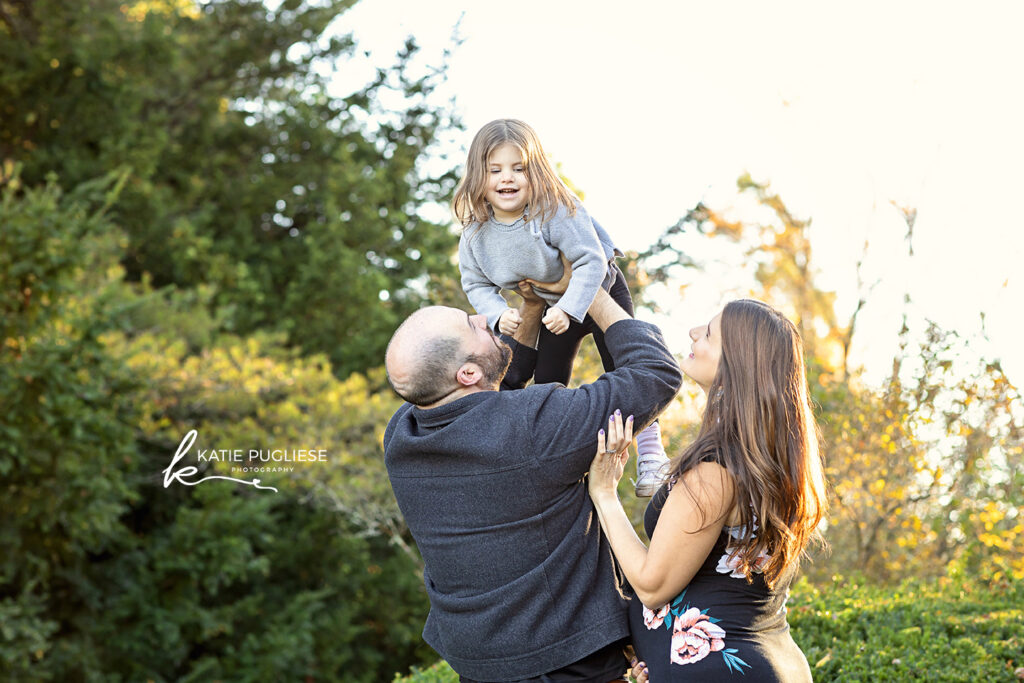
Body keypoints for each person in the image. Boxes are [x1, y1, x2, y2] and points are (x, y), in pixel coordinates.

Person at [383, 273, 682, 682]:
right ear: (466, 374)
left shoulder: (402, 434)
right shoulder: (531, 425)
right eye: (472, 325)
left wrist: (531, 307)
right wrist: (592, 291)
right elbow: (655, 374)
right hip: (567, 662)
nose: (483, 319)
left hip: (480, 663)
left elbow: (491, 383)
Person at [587, 299, 828, 681]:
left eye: (710, 333)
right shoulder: (763, 462)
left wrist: (604, 494)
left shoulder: (716, 471)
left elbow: (652, 585)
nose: (694, 333)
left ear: (737, 364)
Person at [452, 118, 669, 496]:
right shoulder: (475, 234)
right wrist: (496, 312)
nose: (508, 178)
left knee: (625, 366)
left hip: (598, 289)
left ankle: (651, 454)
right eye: (496, 170)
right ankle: (559, 464)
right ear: (478, 176)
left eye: (519, 168)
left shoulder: (554, 210)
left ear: (535, 172)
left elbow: (590, 261)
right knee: (549, 382)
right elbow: (475, 283)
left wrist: (570, 308)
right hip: (551, 309)